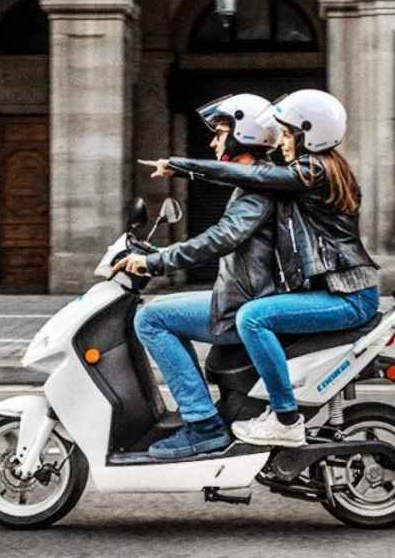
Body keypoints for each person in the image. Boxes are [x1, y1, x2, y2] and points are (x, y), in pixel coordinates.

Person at [143, 89, 380, 448]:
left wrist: (181, 166)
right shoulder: (317, 170)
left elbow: (246, 194)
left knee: (253, 317)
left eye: (288, 134)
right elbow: (249, 178)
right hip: (337, 290)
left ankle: (286, 418)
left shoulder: (313, 170)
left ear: (308, 133)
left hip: (350, 295)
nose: (282, 141)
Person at [111, 93, 282, 459]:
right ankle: (199, 415)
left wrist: (157, 264)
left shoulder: (256, 192)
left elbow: (220, 239)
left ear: (244, 135)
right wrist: (155, 253)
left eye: (220, 132)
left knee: (152, 319)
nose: (213, 140)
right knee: (161, 313)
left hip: (246, 304)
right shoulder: (255, 183)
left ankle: (203, 425)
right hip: (243, 295)